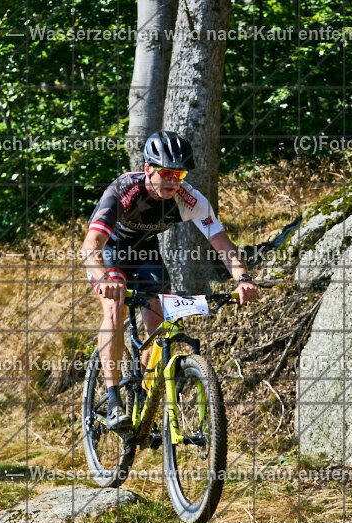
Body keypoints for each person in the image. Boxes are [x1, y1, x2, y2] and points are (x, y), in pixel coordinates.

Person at [78, 130, 258, 432]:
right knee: (114, 307)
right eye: (166, 173)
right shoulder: (124, 189)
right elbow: (90, 246)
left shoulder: (190, 199)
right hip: (110, 251)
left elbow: (222, 243)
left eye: (179, 174)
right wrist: (103, 278)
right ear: (148, 168)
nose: (173, 181)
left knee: (160, 324)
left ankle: (145, 401)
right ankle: (112, 401)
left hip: (146, 252)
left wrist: (244, 278)